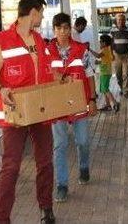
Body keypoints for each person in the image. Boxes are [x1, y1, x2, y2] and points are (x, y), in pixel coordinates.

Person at [0, 0, 56, 224]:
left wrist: (62, 80)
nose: (42, 17)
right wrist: (2, 90)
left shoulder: (40, 41)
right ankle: (2, 218)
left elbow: (47, 71)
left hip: (40, 111)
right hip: (15, 113)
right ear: (33, 12)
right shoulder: (2, 40)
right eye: (41, 13)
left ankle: (46, 208)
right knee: (11, 167)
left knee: (45, 162)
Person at [47, 13, 98, 203]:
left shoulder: (80, 50)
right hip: (57, 107)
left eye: (66, 28)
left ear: (70, 29)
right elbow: (43, 74)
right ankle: (62, 185)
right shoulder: (47, 50)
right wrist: (58, 76)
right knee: (60, 145)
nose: (62, 32)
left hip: (79, 104)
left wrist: (92, 99)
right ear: (54, 30)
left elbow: (90, 74)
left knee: (83, 141)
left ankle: (84, 167)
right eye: (59, 28)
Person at [110, 13, 128, 98]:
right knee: (118, 75)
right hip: (116, 55)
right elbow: (110, 43)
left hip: (127, 55)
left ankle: (126, 92)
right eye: (119, 20)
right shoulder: (113, 30)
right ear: (116, 21)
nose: (121, 21)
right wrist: (111, 54)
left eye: (122, 20)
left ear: (125, 21)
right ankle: (122, 88)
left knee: (126, 74)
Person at [98, 34, 119, 112]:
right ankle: (108, 105)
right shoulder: (107, 49)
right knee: (104, 90)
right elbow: (105, 59)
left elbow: (98, 55)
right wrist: (99, 62)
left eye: (100, 42)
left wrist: (89, 49)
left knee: (105, 89)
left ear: (104, 43)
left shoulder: (105, 50)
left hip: (105, 73)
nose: (99, 43)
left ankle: (115, 103)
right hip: (104, 72)